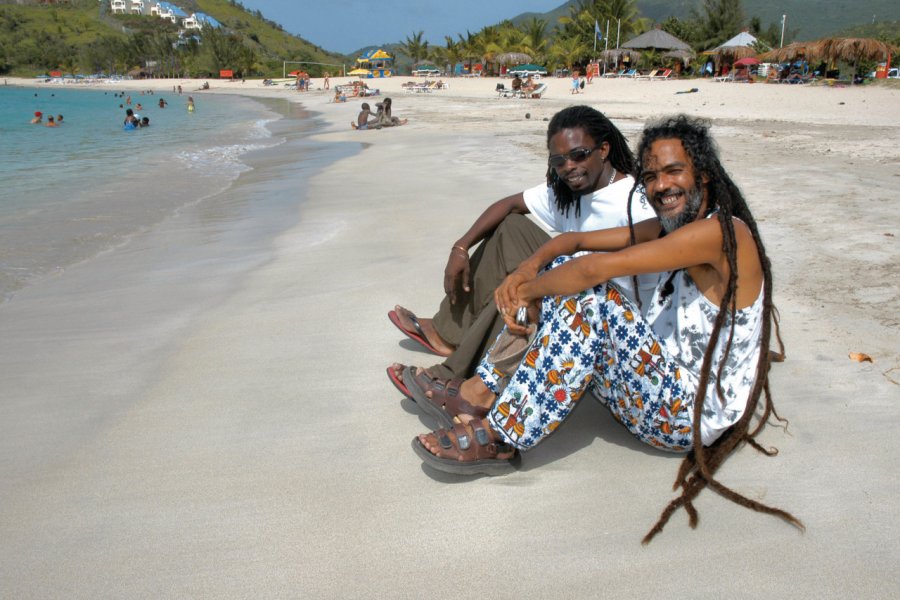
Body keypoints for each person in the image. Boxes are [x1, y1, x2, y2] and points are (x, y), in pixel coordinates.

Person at [410, 114, 802, 543]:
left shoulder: (723, 234)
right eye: (650, 176)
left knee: (590, 292)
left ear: (703, 174)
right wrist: (530, 267)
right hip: (655, 387)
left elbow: (597, 268)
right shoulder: (679, 224)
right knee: (564, 268)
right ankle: (484, 392)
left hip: (686, 416)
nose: (660, 186)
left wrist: (528, 291)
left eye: (674, 172)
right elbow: (572, 243)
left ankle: (503, 434)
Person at [388, 106, 656, 391]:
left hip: (610, 313)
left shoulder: (633, 201)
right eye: (558, 160)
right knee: (511, 228)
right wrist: (461, 247)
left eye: (579, 155)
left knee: (523, 282)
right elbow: (510, 204)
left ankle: (458, 374)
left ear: (603, 150)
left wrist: (531, 273)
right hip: (575, 281)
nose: (569, 167)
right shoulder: (572, 191)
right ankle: (449, 334)